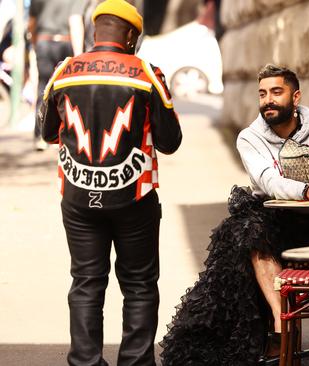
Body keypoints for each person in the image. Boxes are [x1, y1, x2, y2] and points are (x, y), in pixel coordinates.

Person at [159, 64, 309, 364]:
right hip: (274, 224)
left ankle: (277, 334)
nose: (268, 100)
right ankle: (279, 319)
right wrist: (305, 190)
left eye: (276, 92)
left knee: (242, 235)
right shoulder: (250, 138)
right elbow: (267, 181)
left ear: (295, 97)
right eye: (262, 94)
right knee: (247, 229)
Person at [37, 0, 182, 365]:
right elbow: (169, 142)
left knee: (86, 282)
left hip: (77, 197)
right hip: (135, 197)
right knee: (139, 285)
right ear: (131, 34)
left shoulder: (64, 71)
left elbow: (48, 133)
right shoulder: (147, 73)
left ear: (94, 29)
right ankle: (135, 362)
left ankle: (85, 361)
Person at [29, 0, 84, 151]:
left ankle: (40, 135)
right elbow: (75, 21)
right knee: (67, 91)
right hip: (66, 43)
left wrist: (35, 44)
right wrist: (78, 57)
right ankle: (64, 135)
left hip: (44, 42)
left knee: (43, 88)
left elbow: (31, 23)